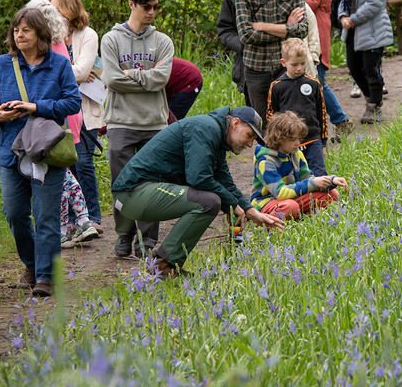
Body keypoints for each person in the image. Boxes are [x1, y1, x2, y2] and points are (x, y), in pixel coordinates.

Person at [110, 106, 285, 277]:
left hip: (143, 193)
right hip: (131, 194)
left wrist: (250, 210)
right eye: (250, 136)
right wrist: (232, 204)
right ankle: (163, 265)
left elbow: (226, 184)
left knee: (211, 200)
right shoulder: (205, 129)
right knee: (208, 202)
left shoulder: (216, 137)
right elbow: (199, 178)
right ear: (236, 123)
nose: (249, 144)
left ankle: (166, 265)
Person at [0, 7, 81, 298]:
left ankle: (46, 277)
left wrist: (36, 108)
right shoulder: (3, 64)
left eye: (26, 30)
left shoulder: (59, 65)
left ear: (40, 34)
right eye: (16, 30)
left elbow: (72, 103)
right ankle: (32, 264)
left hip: (46, 151)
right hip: (11, 152)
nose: (19, 35)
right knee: (15, 214)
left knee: (46, 215)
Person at [100, 0, 174, 259]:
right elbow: (113, 80)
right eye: (146, 7)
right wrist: (144, 76)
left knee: (152, 183)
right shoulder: (111, 39)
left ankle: (148, 240)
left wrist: (131, 74)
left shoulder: (163, 41)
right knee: (122, 183)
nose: (152, 12)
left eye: (156, 7)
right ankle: (124, 234)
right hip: (121, 122)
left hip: (154, 122)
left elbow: (162, 79)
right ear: (131, 4)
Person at [26, 0, 99, 246]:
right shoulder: (58, 43)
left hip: (56, 118)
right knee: (62, 169)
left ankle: (80, 221)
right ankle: (73, 224)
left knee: (61, 171)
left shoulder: (48, 48)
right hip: (68, 116)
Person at [235, 0, 308, 121]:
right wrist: (286, 29)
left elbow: (302, 29)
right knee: (263, 125)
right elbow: (246, 35)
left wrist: (265, 27)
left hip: (287, 67)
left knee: (291, 121)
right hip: (255, 69)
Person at [49, 0, 103, 232]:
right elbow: (76, 72)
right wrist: (72, 74)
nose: (51, 14)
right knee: (65, 165)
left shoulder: (88, 35)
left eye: (55, 9)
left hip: (85, 111)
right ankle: (72, 220)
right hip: (61, 112)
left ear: (69, 9)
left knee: (83, 163)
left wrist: (61, 74)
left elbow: (81, 72)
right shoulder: (51, 37)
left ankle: (93, 217)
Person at [288, 0, 353, 135]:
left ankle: (338, 122)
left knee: (317, 83)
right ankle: (339, 122)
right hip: (305, 39)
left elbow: (303, 7)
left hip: (317, 38)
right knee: (317, 84)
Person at [250, 111, 346, 220]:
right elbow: (280, 193)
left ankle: (304, 220)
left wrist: (330, 181)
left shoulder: (296, 153)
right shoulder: (265, 161)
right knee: (291, 207)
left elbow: (307, 178)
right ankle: (268, 223)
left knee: (332, 194)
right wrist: (313, 183)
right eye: (292, 139)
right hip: (267, 202)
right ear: (278, 138)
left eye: (299, 138)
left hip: (291, 198)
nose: (297, 143)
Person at [266, 38, 328, 175]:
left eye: (302, 63)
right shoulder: (277, 86)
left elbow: (321, 113)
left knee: (319, 176)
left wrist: (323, 143)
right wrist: (275, 142)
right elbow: (272, 117)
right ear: (284, 63)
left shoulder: (314, 83)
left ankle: (322, 197)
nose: (299, 68)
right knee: (293, 177)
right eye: (294, 64)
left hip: (313, 140)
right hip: (288, 143)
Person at [217, 0, 256, 107]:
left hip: (276, 62)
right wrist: (243, 44)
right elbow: (224, 29)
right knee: (254, 110)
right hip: (247, 61)